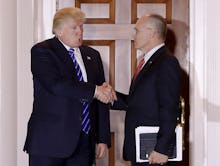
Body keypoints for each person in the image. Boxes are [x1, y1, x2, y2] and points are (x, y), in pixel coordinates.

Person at [23, 7, 116, 166]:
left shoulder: (92, 55)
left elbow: (100, 98)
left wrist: (102, 138)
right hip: (49, 143)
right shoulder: (42, 51)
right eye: (74, 27)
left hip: (84, 142)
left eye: (81, 27)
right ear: (59, 31)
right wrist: (95, 91)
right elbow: (56, 85)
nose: (80, 31)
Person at [112, 14, 181, 166]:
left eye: (137, 31)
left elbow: (169, 108)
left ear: (151, 33)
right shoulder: (147, 61)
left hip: (154, 151)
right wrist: (109, 96)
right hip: (142, 148)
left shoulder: (166, 62)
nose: (133, 35)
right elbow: (136, 102)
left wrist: (162, 149)